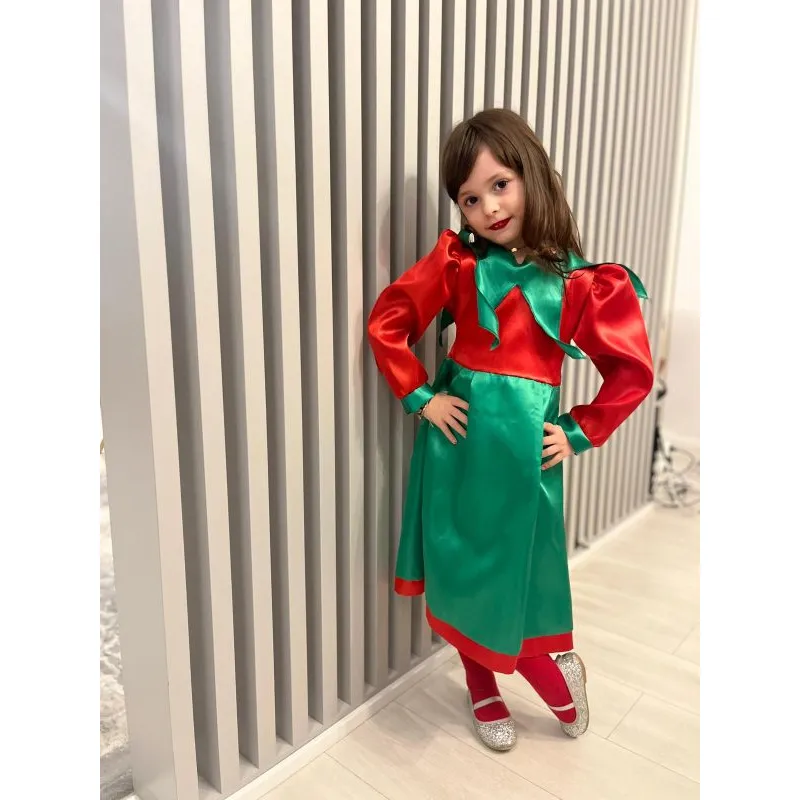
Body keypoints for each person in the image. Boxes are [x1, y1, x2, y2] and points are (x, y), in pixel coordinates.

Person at [367, 108, 654, 751]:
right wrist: (422, 397)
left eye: (500, 185)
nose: (489, 208)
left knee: (512, 577)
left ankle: (554, 679)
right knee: (460, 569)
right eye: (470, 198)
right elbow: (389, 322)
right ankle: (481, 686)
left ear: (532, 176)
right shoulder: (459, 264)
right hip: (456, 448)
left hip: (523, 457)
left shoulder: (579, 283)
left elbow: (631, 370)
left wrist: (578, 431)